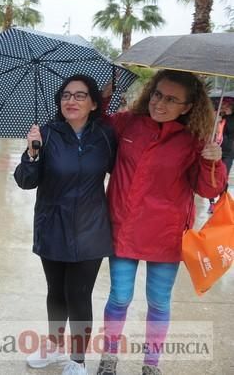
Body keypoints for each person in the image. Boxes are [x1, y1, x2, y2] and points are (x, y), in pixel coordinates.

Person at [97, 70, 226, 375]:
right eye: (157, 94)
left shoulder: (195, 140)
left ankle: (151, 365)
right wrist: (103, 96)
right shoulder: (128, 123)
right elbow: (96, 126)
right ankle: (109, 358)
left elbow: (207, 189)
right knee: (119, 296)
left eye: (171, 99)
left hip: (167, 235)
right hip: (124, 229)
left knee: (158, 302)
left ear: (187, 107)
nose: (160, 103)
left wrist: (213, 160)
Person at [14, 75, 115, 375]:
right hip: (52, 225)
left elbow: (125, 173)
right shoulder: (46, 133)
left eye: (80, 95)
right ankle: (54, 346)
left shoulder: (106, 137)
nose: (71, 101)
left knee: (79, 294)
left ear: (94, 103)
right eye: (66, 95)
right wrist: (32, 153)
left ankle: (77, 359)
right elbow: (25, 181)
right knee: (56, 291)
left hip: (91, 228)